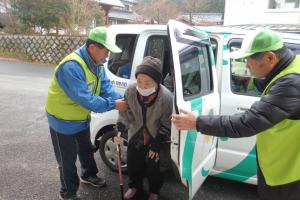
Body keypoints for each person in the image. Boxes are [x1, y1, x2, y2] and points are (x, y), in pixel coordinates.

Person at [171, 29, 300, 200]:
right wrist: (247, 81)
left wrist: (197, 123)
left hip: (287, 174)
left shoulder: (292, 84)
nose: (246, 65)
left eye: (249, 60)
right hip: (281, 162)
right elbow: (272, 84)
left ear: (270, 57)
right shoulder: (291, 66)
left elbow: (247, 123)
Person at [45, 27, 128, 200]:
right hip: (62, 121)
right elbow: (87, 100)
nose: (108, 56)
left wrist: (124, 100)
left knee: (85, 149)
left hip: (80, 117)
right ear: (92, 48)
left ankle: (88, 175)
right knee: (66, 161)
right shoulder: (71, 66)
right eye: (106, 51)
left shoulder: (97, 65)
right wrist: (114, 104)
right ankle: (67, 194)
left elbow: (105, 88)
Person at [114, 56, 173, 200]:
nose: (142, 86)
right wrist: (119, 130)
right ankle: (135, 187)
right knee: (134, 163)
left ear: (157, 82)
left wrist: (157, 144)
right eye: (139, 80)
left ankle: (154, 191)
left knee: (155, 167)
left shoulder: (166, 97)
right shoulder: (131, 91)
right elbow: (125, 114)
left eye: (147, 82)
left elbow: (167, 123)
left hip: (155, 136)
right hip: (136, 133)